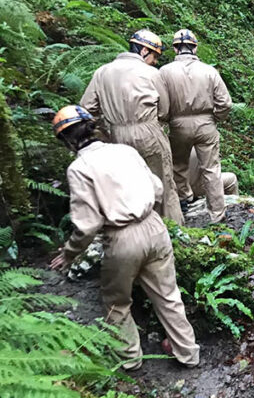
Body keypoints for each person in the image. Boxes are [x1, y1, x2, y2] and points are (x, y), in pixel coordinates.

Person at [49, 105, 199, 370]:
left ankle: (129, 359)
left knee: (116, 303)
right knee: (168, 296)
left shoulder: (79, 168)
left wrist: (69, 254)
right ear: (92, 126)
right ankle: (188, 353)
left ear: (67, 140)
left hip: (121, 237)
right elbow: (157, 188)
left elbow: (87, 224)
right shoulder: (125, 151)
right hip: (155, 226)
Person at [80, 29, 184, 224]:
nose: (155, 61)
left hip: (116, 136)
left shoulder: (102, 72)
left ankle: (138, 230)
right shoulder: (151, 73)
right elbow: (164, 109)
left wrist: (107, 126)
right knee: (164, 184)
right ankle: (174, 233)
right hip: (148, 132)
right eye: (154, 56)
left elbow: (86, 109)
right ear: (144, 50)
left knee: (130, 186)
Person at [160, 29, 232, 224]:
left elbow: (161, 103)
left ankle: (184, 201)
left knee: (178, 166)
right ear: (195, 47)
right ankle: (217, 214)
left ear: (175, 48)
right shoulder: (209, 71)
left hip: (178, 124)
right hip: (206, 123)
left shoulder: (164, 72)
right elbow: (225, 103)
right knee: (211, 168)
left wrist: (168, 119)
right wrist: (216, 117)